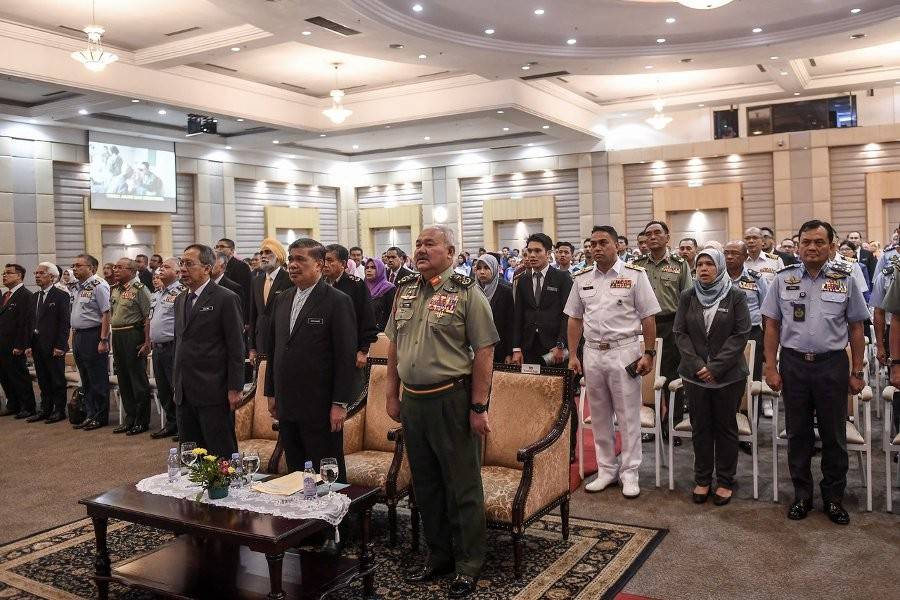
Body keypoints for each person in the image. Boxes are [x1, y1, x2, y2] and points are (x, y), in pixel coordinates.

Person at [384, 225, 498, 598]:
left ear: (450, 252)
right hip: (414, 402)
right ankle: (439, 556)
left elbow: (484, 351)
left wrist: (479, 406)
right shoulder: (405, 291)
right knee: (426, 484)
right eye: (417, 243)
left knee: (461, 485)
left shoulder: (467, 293)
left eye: (429, 244)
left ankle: (469, 563)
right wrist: (392, 394)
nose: (420, 249)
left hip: (451, 399)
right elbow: (394, 348)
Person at [761, 220, 867, 524]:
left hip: (832, 365)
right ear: (798, 245)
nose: (811, 247)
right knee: (798, 433)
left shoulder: (844, 280)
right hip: (794, 364)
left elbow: (857, 328)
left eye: (819, 242)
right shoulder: (783, 279)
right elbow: (771, 325)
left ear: (832, 246)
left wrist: (857, 370)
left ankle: (834, 498)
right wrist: (770, 366)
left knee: (834, 435)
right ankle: (802, 496)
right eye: (806, 241)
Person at [566, 226, 660, 498]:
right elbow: (574, 318)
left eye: (603, 242)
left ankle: (630, 472)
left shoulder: (634, 275)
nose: (596, 247)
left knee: (628, 415)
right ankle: (607, 469)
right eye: (592, 243)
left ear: (617, 245)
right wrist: (573, 354)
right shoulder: (581, 278)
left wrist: (649, 353)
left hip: (625, 352)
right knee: (599, 415)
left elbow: (648, 318)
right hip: (593, 352)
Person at [264, 238, 357, 481]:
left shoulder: (337, 301)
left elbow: (345, 357)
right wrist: (271, 392)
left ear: (319, 264)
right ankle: (302, 519)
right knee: (296, 472)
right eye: (291, 259)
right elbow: (274, 349)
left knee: (327, 474)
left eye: (300, 259)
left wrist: (340, 403)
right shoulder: (282, 298)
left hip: (321, 405)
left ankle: (337, 519)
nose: (293, 265)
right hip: (287, 402)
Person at [673, 249, 751, 506]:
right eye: (700, 264)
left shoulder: (735, 295)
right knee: (701, 427)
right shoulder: (688, 295)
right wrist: (697, 365)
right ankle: (703, 479)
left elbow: (741, 334)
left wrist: (715, 367)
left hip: (728, 375)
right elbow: (680, 333)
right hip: (695, 376)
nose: (704, 269)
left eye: (709, 264)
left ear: (719, 267)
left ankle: (726, 481)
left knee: (726, 427)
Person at [173, 244, 245, 457]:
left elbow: (236, 347)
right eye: (181, 263)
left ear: (207, 268)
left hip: (214, 389)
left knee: (220, 454)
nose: (183, 269)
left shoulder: (225, 298)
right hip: (184, 390)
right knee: (191, 454)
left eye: (189, 264)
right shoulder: (180, 300)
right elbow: (181, 343)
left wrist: (235, 387)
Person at [633, 221, 693, 444]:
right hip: (644, 325)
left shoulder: (680, 265)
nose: (652, 237)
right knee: (647, 374)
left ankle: (672, 423)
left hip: (671, 324)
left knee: (672, 375)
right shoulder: (637, 265)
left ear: (668, 237)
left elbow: (687, 299)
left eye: (658, 233)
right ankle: (651, 423)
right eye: (648, 234)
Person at [511, 233, 573, 366]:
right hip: (528, 346)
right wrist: (516, 348)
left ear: (548, 253)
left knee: (554, 386)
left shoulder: (562, 278)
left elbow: (567, 314)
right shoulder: (522, 280)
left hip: (554, 348)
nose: (532, 255)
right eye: (529, 251)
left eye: (537, 251)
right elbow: (518, 315)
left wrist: (561, 344)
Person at [109, 258, 153, 436]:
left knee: (137, 380)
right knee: (124, 379)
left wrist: (147, 341)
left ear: (132, 271)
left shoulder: (140, 290)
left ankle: (141, 421)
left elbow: (147, 317)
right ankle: (130, 418)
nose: (115, 270)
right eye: (115, 266)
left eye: (120, 267)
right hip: (118, 334)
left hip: (133, 335)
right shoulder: (116, 289)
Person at [69, 255, 112, 430]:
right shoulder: (79, 287)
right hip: (79, 335)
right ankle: (89, 413)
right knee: (85, 378)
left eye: (79, 265)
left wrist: (103, 339)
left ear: (92, 268)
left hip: (93, 335)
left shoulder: (99, 285)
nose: (74, 268)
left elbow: (106, 314)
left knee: (97, 378)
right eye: (74, 265)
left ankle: (100, 416)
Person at [24, 262, 70, 423]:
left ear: (52, 276)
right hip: (36, 344)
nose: (37, 276)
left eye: (41, 273)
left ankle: (59, 410)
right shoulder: (34, 297)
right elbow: (30, 322)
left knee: (56, 379)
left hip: (54, 345)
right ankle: (45, 408)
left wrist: (61, 345)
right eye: (36, 273)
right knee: (43, 379)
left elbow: (65, 323)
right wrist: (28, 344)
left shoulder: (61, 295)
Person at [324, 244, 378, 371]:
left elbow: (367, 318)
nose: (325, 264)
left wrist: (363, 350)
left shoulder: (356, 285)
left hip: (349, 349)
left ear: (343, 263)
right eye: (323, 259)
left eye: (330, 260)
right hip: (324, 350)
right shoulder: (319, 285)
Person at [148, 258, 185, 440]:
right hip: (158, 348)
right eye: (161, 267)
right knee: (163, 389)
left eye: (166, 267)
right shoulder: (157, 294)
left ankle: (182, 425)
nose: (161, 270)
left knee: (175, 388)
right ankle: (171, 423)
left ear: (178, 273)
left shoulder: (181, 292)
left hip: (173, 347)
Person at [0, 264, 36, 418]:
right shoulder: (5, 295)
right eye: (3, 273)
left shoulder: (25, 295)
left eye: (8, 273)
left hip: (15, 344)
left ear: (19, 276)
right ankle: (13, 404)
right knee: (5, 376)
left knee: (19, 376)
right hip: (2, 343)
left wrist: (21, 344)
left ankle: (28, 406)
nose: (4, 276)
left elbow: (25, 323)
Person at [248, 238, 291, 365]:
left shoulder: (289, 279)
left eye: (268, 252)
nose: (263, 256)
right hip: (261, 341)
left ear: (278, 256)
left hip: (282, 339)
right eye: (261, 253)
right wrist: (252, 347)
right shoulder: (256, 281)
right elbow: (253, 315)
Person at [473, 254, 514, 364]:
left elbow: (511, 324)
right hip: (476, 347)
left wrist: (510, 352)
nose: (482, 272)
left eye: (486, 268)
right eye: (479, 268)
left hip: (499, 348)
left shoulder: (505, 291)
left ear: (494, 269)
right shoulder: (471, 291)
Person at [215, 238, 252, 316]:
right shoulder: (215, 266)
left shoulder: (241, 266)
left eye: (222, 247)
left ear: (232, 250)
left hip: (235, 309)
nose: (218, 249)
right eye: (217, 247)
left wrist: (246, 317)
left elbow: (246, 293)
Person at [365, 257, 396, 331]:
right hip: (365, 332)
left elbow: (391, 315)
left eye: (373, 267)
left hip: (383, 332)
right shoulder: (362, 287)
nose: (369, 270)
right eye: (367, 267)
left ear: (380, 270)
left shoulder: (389, 288)